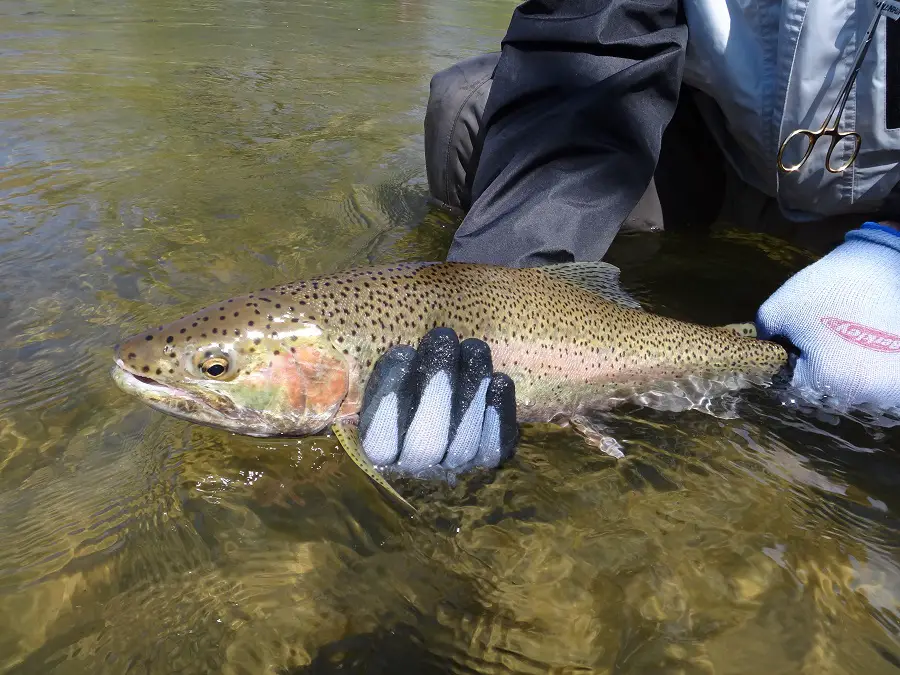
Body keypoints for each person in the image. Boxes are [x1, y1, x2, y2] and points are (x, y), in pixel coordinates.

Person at [357, 0, 900, 472]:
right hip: (717, 143)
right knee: (466, 105)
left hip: (886, 189)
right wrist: (504, 300)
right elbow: (590, 39)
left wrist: (891, 246)